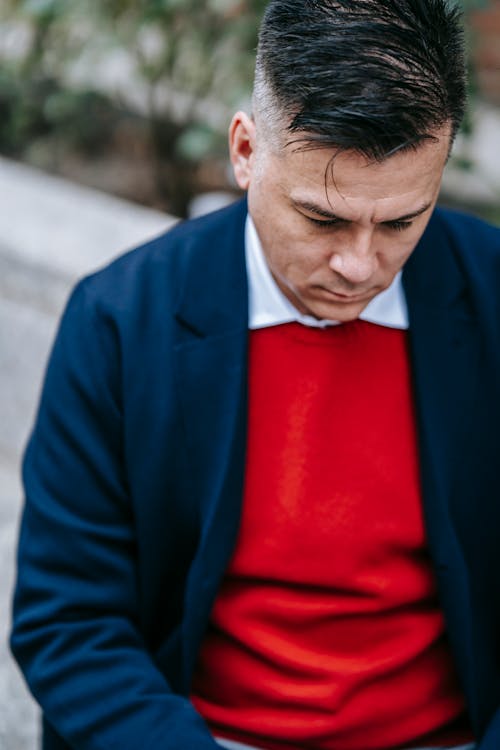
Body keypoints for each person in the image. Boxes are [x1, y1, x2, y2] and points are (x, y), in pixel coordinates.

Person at [10, 1, 500, 749]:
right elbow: (69, 618)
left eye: (402, 221)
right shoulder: (120, 319)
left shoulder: (493, 296)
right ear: (245, 151)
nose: (359, 265)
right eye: (323, 219)